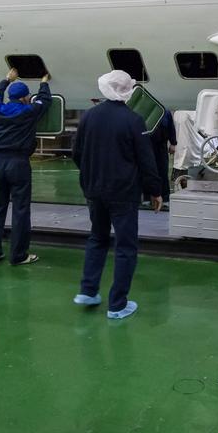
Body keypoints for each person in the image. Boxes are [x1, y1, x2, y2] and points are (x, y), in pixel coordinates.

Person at [72, 70, 164, 320]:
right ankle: (117, 304)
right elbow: (146, 161)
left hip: (93, 191)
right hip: (123, 193)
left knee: (97, 238)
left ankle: (88, 290)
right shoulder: (134, 121)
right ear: (127, 90)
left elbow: (77, 154)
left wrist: (91, 175)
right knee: (125, 247)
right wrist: (155, 191)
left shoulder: (88, 117)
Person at [0, 68, 53, 266]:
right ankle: (18, 255)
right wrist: (44, 82)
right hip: (18, 163)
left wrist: (6, 79)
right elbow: (45, 101)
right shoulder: (29, 111)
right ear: (25, 98)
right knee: (20, 209)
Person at [148, 108, 177, 206]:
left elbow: (171, 128)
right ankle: (147, 197)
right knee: (147, 171)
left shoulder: (165, 112)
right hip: (146, 145)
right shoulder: (143, 110)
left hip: (161, 146)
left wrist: (173, 143)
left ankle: (165, 198)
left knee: (163, 171)